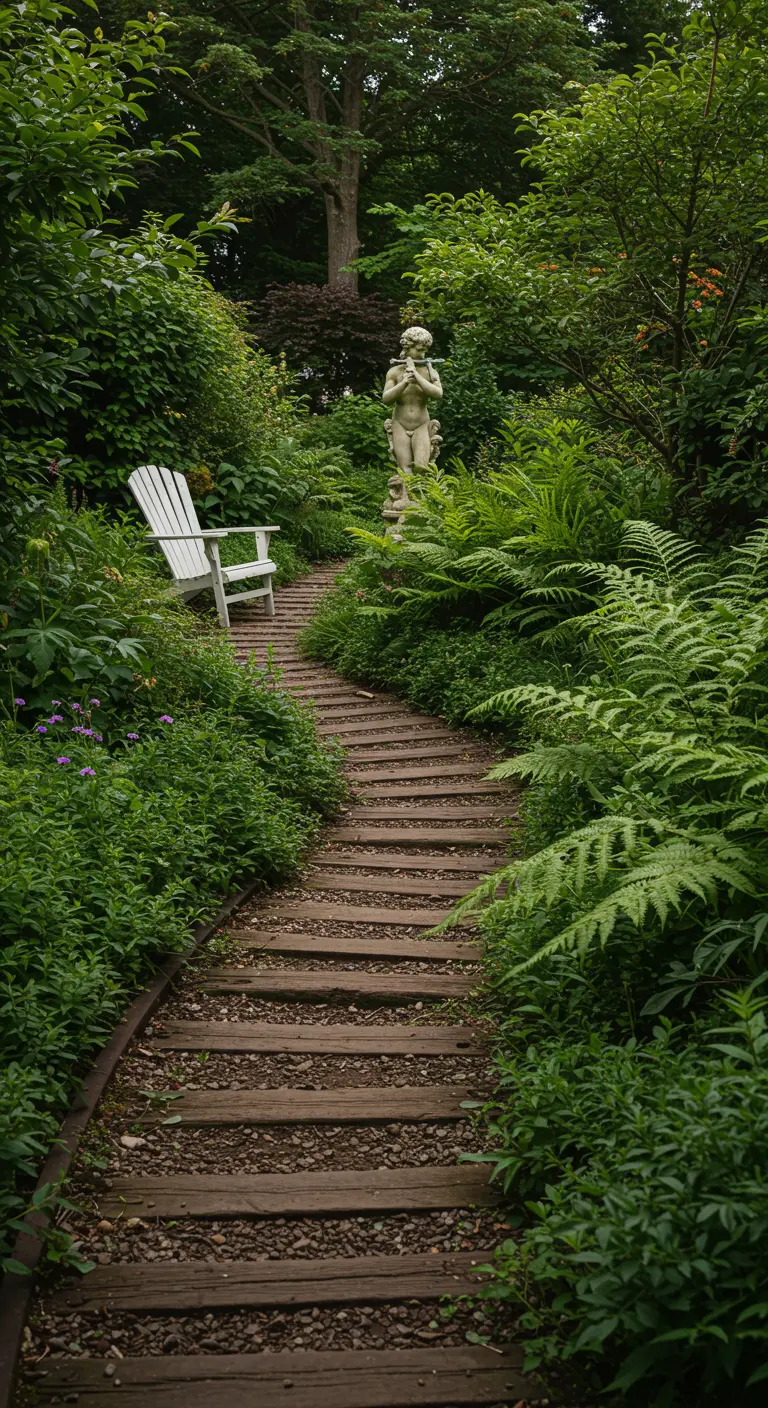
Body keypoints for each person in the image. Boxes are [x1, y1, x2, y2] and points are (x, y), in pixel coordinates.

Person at [382, 326, 443, 471]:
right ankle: (404, 494)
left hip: (421, 424)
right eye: (419, 350)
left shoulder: (430, 371)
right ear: (408, 348)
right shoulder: (395, 372)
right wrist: (404, 382)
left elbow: (438, 394)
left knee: (421, 468)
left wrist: (417, 376)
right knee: (405, 471)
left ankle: (421, 493)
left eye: (425, 351)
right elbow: (386, 398)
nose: (423, 355)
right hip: (400, 424)